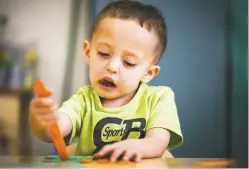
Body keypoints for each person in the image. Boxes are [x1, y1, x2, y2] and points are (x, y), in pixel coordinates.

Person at [29, 0, 183, 162]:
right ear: (88, 53)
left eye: (128, 62)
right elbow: (54, 132)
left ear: (148, 73)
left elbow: (158, 142)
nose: (112, 67)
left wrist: (135, 146)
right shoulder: (83, 100)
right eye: (103, 53)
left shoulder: (158, 98)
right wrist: (44, 120)